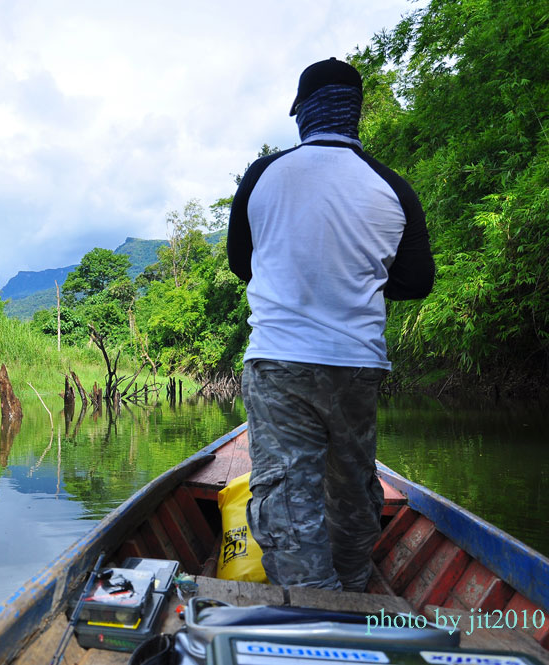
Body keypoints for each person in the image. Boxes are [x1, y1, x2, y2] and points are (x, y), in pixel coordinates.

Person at [226, 57, 435, 591]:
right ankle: (352, 593)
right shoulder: (392, 185)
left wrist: (302, 269)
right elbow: (416, 281)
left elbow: (241, 263)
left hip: (280, 363)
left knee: (288, 495)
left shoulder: (262, 175)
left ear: (303, 115)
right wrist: (355, 274)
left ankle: (313, 611)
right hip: (356, 365)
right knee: (350, 485)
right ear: (355, 115)